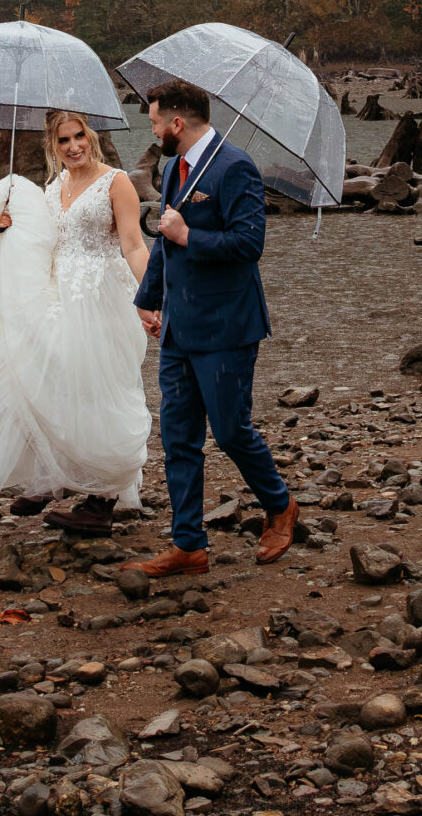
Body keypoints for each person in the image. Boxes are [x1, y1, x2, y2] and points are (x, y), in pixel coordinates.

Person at [0, 108, 152, 534]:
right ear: (52, 145)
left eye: (79, 136)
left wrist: (152, 296)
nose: (74, 147)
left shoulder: (116, 183)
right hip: (56, 295)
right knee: (47, 384)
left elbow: (133, 245)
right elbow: (39, 237)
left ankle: (102, 498)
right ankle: (52, 479)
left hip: (99, 297)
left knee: (97, 389)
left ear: (91, 136)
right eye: (63, 141)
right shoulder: (54, 186)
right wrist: (1, 223)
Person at [129, 79, 295, 574]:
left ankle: (281, 504)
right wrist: (149, 300)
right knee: (178, 438)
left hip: (227, 327)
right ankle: (189, 545)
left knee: (229, 431)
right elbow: (163, 240)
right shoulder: (178, 168)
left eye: (156, 121)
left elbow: (249, 244)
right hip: (178, 327)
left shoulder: (235, 166)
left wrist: (189, 233)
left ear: (177, 123)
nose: (154, 130)